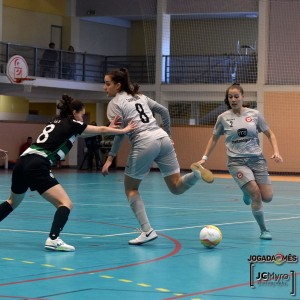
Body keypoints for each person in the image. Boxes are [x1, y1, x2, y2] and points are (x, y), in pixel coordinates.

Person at [0, 94, 136, 252]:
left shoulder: (55, 121)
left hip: (22, 162)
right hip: (37, 164)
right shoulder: (73, 124)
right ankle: (53, 239)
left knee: (12, 202)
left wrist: (110, 127)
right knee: (65, 203)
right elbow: (99, 129)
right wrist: (124, 130)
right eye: (82, 114)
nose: (83, 118)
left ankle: (53, 239)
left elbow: (88, 132)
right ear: (74, 113)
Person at [101, 68, 214, 245]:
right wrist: (168, 135)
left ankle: (147, 231)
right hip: (162, 138)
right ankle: (196, 174)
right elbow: (165, 112)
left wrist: (110, 158)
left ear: (118, 85)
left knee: (131, 189)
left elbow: (120, 132)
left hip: (144, 141)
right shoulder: (141, 97)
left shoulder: (115, 104)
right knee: (176, 187)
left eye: (107, 84)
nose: (104, 87)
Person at [195, 83, 283, 240]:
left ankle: (245, 192)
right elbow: (214, 138)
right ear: (227, 99)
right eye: (230, 97)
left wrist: (276, 152)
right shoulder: (222, 118)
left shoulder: (255, 114)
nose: (233, 99)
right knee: (255, 194)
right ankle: (264, 230)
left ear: (243, 97)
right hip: (236, 162)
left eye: (236, 96)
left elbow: (271, 134)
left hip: (257, 160)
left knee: (267, 197)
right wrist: (204, 158)